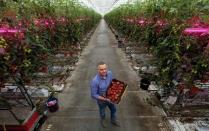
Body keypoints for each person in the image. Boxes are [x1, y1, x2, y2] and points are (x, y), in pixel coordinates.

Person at [90, 61, 120, 128]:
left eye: (105, 69)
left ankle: (113, 120)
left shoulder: (110, 73)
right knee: (102, 112)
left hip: (111, 98)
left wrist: (118, 90)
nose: (104, 71)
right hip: (102, 101)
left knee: (113, 109)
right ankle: (103, 120)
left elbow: (112, 82)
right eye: (101, 69)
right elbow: (94, 95)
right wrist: (105, 99)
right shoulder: (95, 81)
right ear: (98, 70)